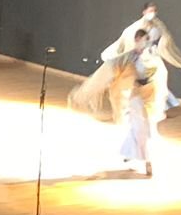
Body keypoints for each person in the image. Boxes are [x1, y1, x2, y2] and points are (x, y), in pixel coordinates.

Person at [69, 26, 167, 177]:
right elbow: (103, 74)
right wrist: (82, 95)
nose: (142, 44)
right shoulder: (126, 59)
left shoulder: (152, 59)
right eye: (140, 40)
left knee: (146, 131)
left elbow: (160, 76)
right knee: (138, 128)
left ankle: (145, 160)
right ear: (136, 41)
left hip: (148, 99)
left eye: (145, 41)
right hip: (135, 100)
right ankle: (143, 159)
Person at [97, 2, 181, 103]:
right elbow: (128, 39)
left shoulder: (158, 26)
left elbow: (163, 38)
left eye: (154, 11)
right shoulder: (136, 27)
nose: (152, 13)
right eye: (150, 11)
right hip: (139, 55)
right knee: (133, 78)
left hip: (151, 55)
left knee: (160, 76)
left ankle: (159, 103)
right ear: (144, 12)